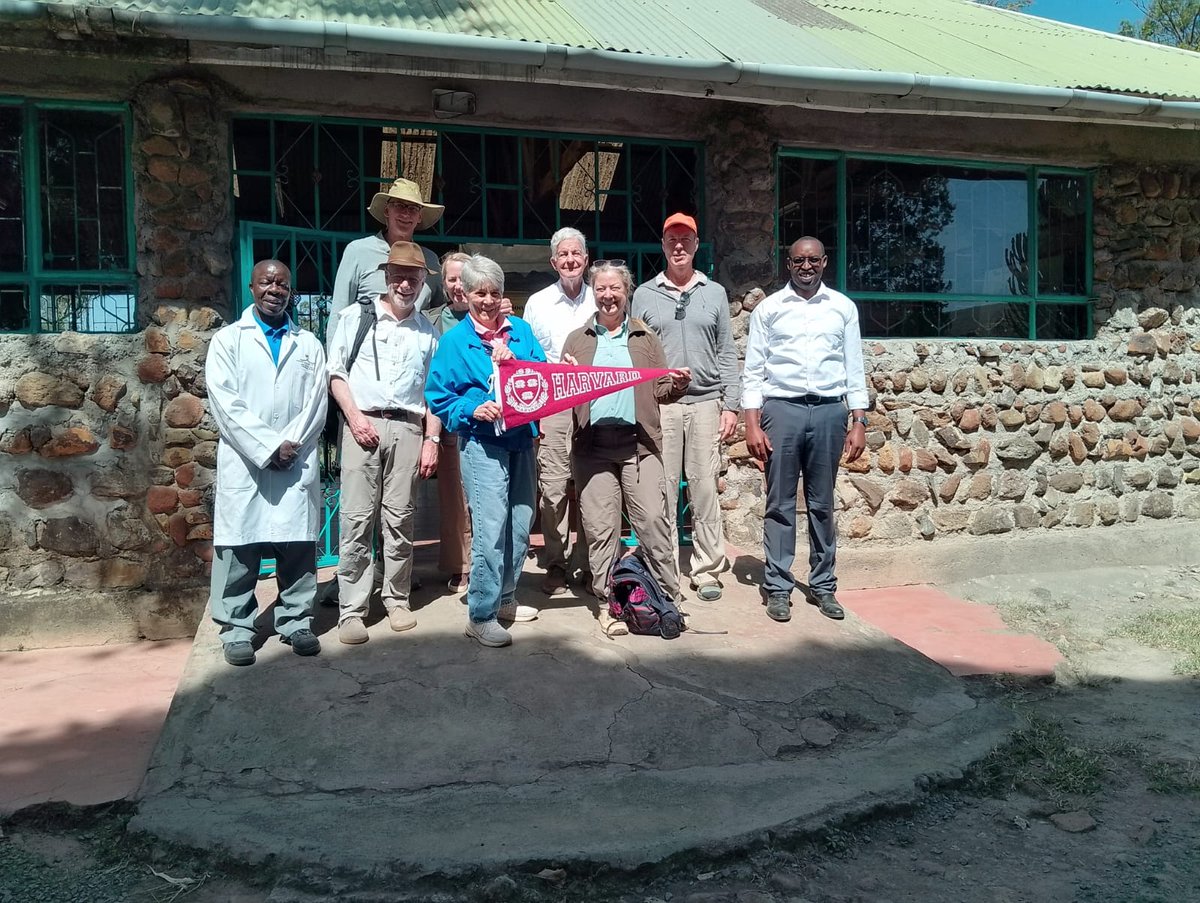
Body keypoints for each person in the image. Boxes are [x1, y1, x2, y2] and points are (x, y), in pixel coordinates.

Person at [204, 260, 328, 666]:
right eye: (266, 282)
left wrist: (289, 445)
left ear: (290, 290)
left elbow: (316, 403)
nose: (275, 289)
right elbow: (225, 403)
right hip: (247, 460)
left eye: (282, 283)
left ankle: (295, 621)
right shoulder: (227, 340)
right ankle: (237, 628)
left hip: (295, 457)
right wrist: (267, 447)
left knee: (297, 547)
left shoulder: (308, 343)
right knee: (241, 547)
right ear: (252, 287)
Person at [742, 237, 868, 624]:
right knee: (779, 502)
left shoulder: (842, 308)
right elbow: (753, 369)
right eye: (799, 260)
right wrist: (751, 422)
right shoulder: (769, 309)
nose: (806, 266)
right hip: (782, 411)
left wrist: (858, 420)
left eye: (813, 259)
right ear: (789, 264)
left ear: (825, 262)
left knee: (822, 503)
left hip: (830, 411)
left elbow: (854, 366)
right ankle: (778, 587)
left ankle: (823, 586)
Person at [561, 261, 691, 636]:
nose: (608, 295)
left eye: (615, 288)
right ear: (593, 292)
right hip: (593, 446)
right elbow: (564, 394)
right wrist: (567, 375)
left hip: (640, 446)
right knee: (601, 529)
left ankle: (668, 598)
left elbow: (661, 389)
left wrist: (679, 384)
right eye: (600, 288)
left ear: (626, 291)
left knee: (653, 521)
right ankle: (609, 605)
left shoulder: (645, 338)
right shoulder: (577, 339)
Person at [425, 255, 543, 648]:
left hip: (522, 440)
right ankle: (480, 614)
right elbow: (438, 396)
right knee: (491, 529)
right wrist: (471, 408)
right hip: (482, 443)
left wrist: (519, 363)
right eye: (480, 293)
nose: (488, 300)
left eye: (495, 292)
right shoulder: (455, 341)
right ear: (466, 294)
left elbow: (542, 378)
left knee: (521, 524)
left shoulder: (521, 331)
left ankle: (505, 598)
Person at [328, 241, 441, 645]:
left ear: (423, 281)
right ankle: (352, 610)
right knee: (357, 518)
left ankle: (397, 599)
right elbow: (335, 373)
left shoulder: (428, 331)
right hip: (364, 423)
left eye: (413, 277)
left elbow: (434, 391)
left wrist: (432, 439)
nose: (405, 284)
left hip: (409, 427)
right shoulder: (355, 318)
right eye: (398, 276)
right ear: (385, 277)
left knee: (400, 517)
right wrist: (355, 418)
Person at [632, 212, 739, 602]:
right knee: (661, 491)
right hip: (662, 406)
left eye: (686, 240)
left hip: (706, 402)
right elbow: (637, 353)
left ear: (696, 245)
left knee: (704, 486)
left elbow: (726, 351)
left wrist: (732, 404)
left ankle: (707, 568)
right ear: (663, 246)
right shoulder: (644, 295)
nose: (679, 246)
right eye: (672, 240)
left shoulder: (714, 293)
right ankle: (663, 569)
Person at [522, 227, 596, 596]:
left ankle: (585, 563)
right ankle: (555, 562)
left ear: (586, 259)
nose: (570, 260)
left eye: (576, 254)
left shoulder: (601, 298)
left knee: (590, 485)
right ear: (554, 262)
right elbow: (529, 359)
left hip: (593, 403)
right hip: (552, 403)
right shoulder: (537, 303)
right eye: (563, 255)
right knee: (552, 489)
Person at [326, 177, 444, 348]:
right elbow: (339, 312)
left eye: (413, 208)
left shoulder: (431, 260)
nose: (405, 213)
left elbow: (441, 313)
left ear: (420, 216)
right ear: (386, 211)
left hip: (413, 357)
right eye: (399, 206)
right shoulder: (358, 251)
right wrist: (334, 368)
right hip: (365, 356)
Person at [434, 251, 473, 592]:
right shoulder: (431, 321)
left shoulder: (490, 317)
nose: (459, 285)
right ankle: (460, 566)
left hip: (484, 426)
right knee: (454, 502)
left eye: (465, 278)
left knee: (483, 500)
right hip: (445, 425)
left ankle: (487, 565)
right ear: (443, 284)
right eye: (452, 279)